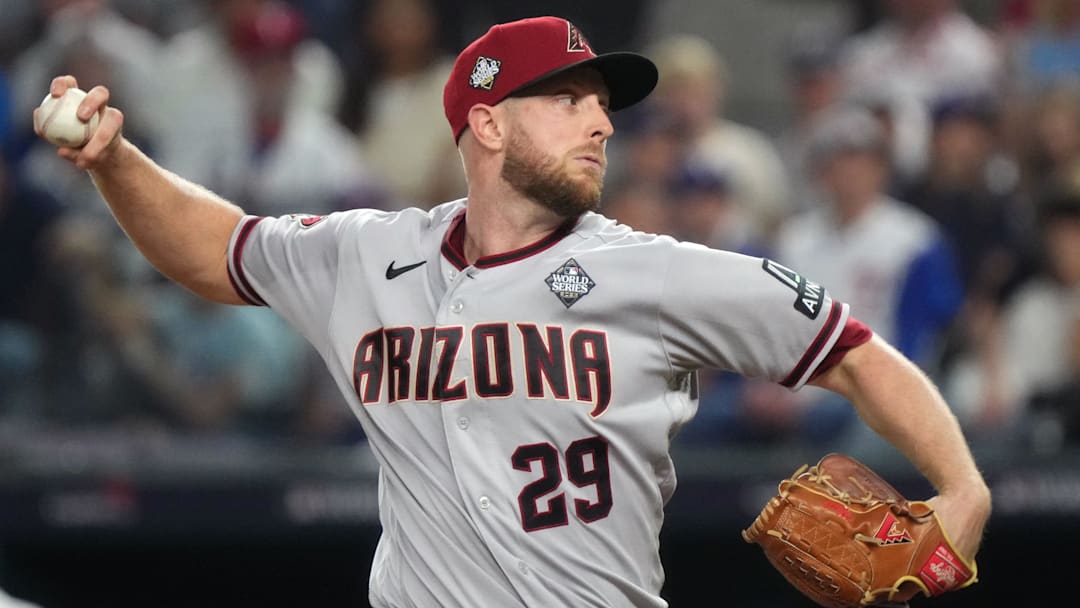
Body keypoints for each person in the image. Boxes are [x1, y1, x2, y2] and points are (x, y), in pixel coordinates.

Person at [37, 16, 990, 607]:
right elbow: (216, 249)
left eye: (603, 105)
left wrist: (961, 486)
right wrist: (116, 162)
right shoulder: (366, 252)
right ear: (487, 123)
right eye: (570, 99)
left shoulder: (661, 274)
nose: (603, 121)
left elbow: (854, 350)